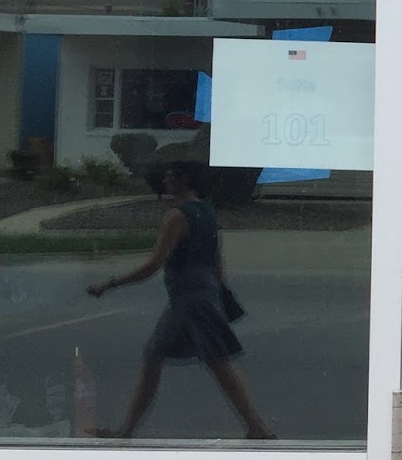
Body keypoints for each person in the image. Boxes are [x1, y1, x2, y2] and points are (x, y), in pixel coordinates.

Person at [85, 161, 274, 440]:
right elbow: (216, 260)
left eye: (171, 175)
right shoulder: (206, 212)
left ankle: (257, 427)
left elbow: (153, 264)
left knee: (218, 362)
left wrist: (110, 283)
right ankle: (125, 432)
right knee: (155, 356)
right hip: (194, 296)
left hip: (190, 298)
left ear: (185, 180)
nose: (165, 179)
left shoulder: (177, 217)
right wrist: (218, 292)